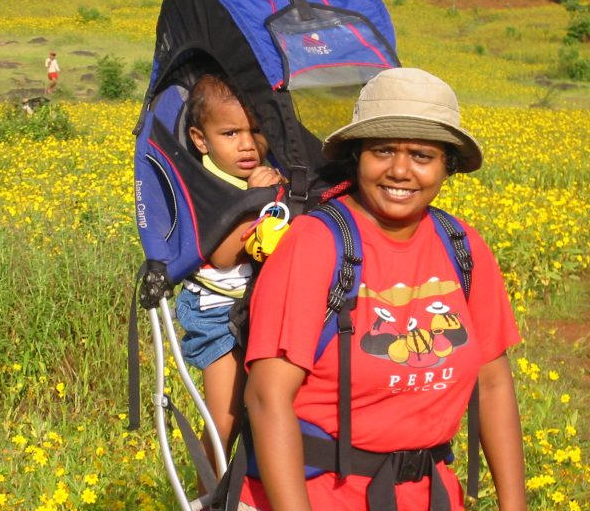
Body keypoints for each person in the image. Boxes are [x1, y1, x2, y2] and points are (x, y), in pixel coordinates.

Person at [239, 68, 526, 511]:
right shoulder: (315, 245)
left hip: (428, 495)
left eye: (422, 155)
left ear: (447, 165)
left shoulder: (462, 247)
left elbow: (492, 384)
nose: (400, 170)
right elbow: (266, 396)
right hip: (318, 495)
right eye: (383, 150)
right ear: (357, 157)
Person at [176, 74, 285, 488]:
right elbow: (220, 253)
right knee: (225, 420)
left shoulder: (265, 170)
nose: (246, 144)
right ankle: (210, 494)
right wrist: (254, 202)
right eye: (230, 133)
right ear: (201, 140)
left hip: (257, 305)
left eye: (255, 130)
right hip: (217, 315)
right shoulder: (206, 184)